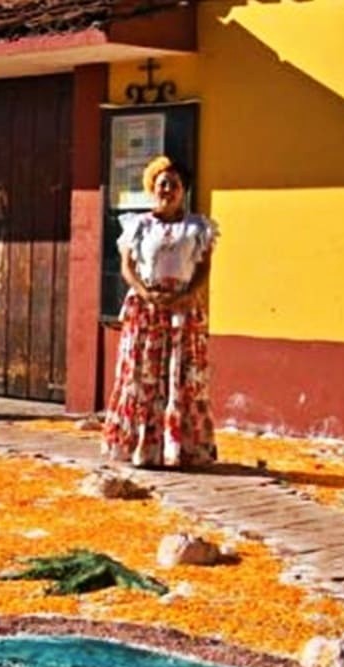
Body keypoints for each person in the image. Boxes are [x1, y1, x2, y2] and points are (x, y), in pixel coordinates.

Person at [103, 156, 218, 469]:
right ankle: (142, 448)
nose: (168, 189)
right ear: (152, 188)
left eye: (175, 184)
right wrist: (146, 293)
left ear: (184, 190)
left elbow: (204, 268)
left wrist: (187, 294)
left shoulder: (198, 227)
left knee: (180, 374)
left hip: (183, 311)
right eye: (162, 183)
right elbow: (127, 267)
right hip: (147, 310)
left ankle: (182, 449)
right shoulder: (137, 225)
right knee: (144, 375)